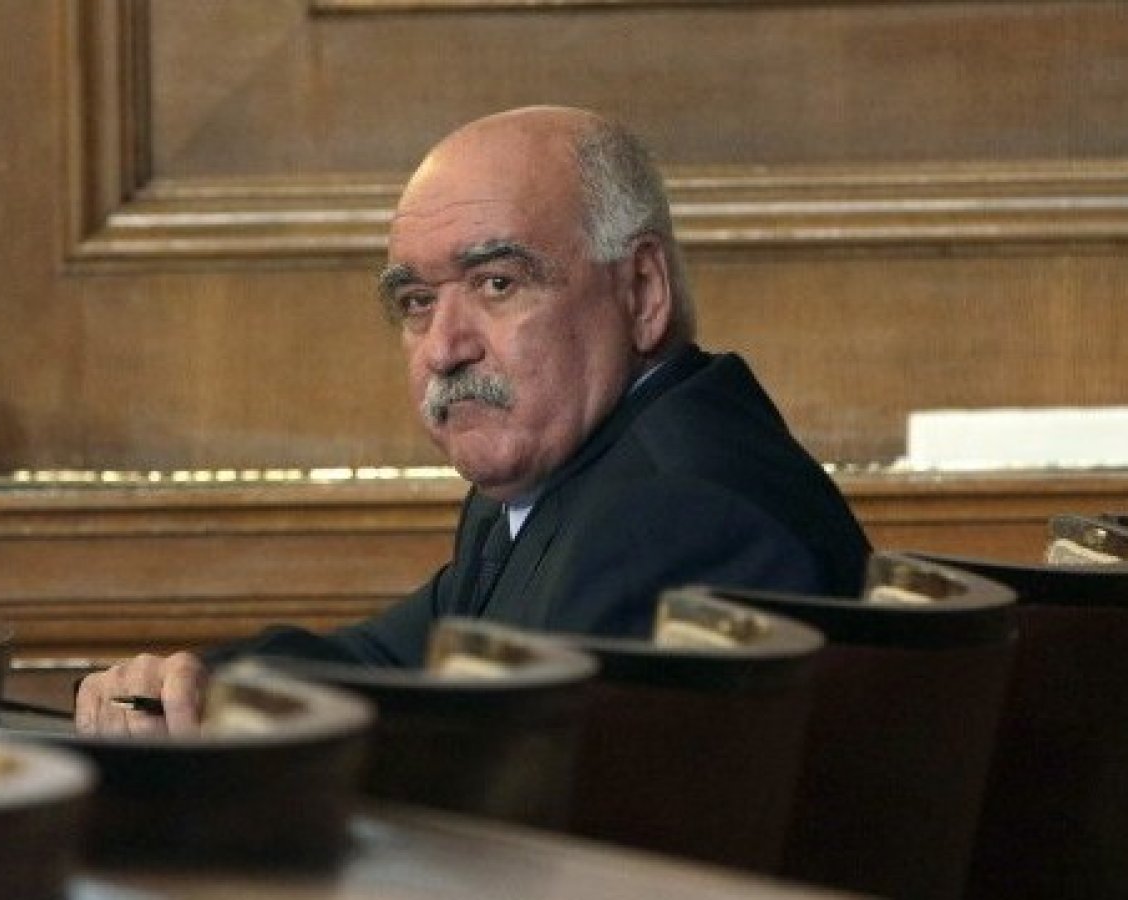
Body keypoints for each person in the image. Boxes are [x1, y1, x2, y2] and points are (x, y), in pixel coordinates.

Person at [75, 105, 871, 735]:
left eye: (497, 284)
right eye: (417, 302)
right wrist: (197, 686)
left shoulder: (678, 514)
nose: (445, 348)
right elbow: (386, 664)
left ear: (642, 291)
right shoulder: (563, 476)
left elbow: (524, 810)